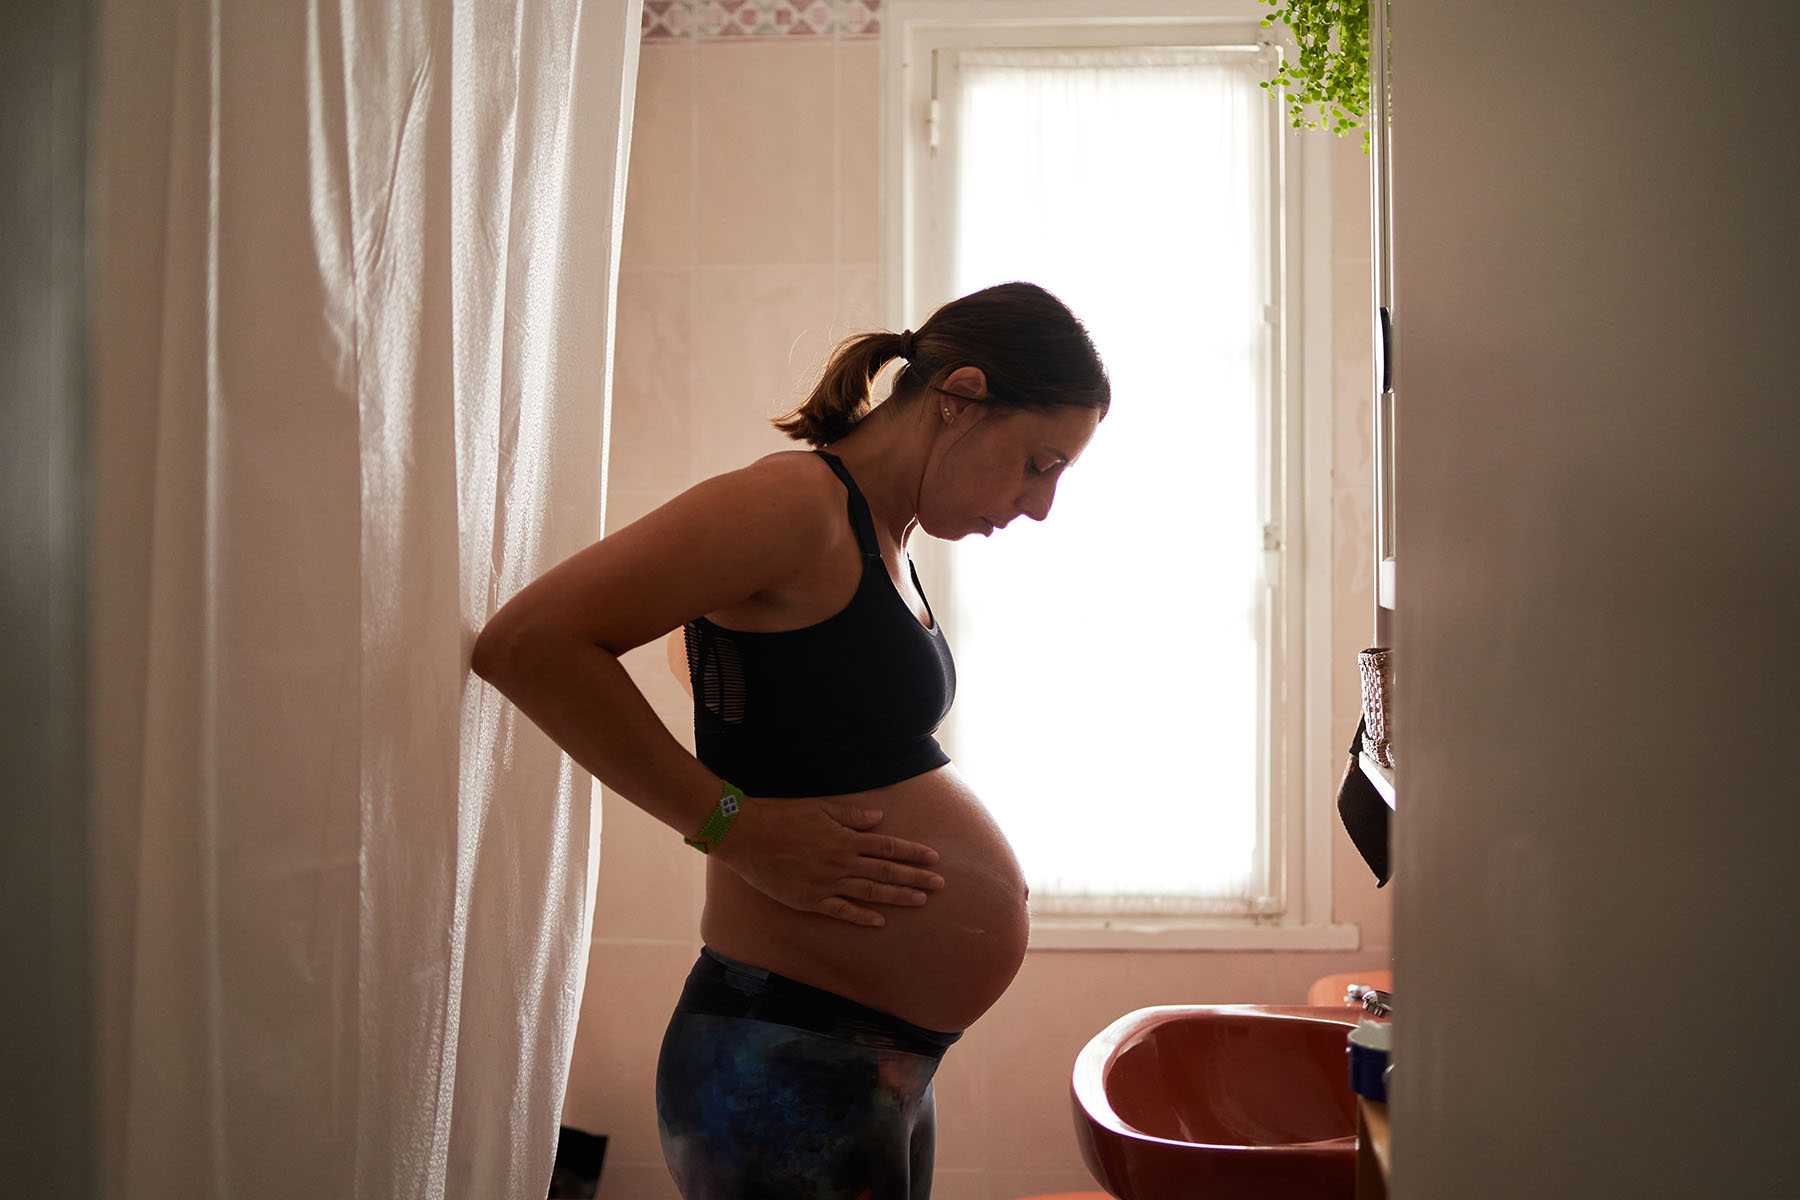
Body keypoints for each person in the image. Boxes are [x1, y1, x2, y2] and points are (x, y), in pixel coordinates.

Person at [472, 281, 1110, 1199]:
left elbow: (741, 672)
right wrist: (731, 825)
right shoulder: (794, 502)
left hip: (867, 1056)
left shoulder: (885, 530)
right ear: (960, 399)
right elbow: (529, 644)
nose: (1041, 505)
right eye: (1038, 463)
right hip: (782, 1058)